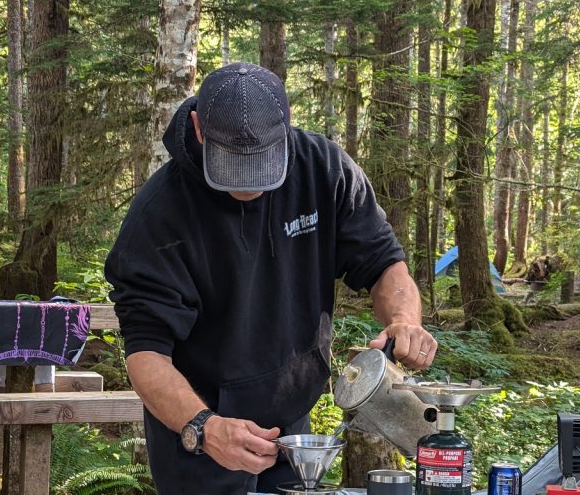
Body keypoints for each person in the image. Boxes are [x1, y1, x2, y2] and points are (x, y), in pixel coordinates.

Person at [105, 62, 437, 494]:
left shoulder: (324, 169)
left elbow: (383, 263)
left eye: (262, 164)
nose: (250, 183)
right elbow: (146, 355)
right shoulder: (159, 217)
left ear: (285, 128)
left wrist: (404, 319)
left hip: (292, 427)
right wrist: (205, 427)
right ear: (198, 128)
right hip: (199, 432)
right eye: (234, 165)